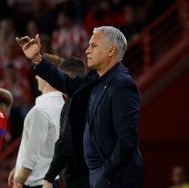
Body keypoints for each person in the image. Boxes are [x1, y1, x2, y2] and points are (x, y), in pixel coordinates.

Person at [16, 25, 145, 188]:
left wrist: (106, 175)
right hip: (95, 176)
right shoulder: (95, 78)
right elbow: (66, 82)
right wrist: (37, 59)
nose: (87, 50)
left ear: (111, 51)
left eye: (94, 45)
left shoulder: (122, 84)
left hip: (115, 180)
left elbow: (127, 140)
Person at [8, 54, 65, 188]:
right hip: (51, 180)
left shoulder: (39, 111)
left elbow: (31, 158)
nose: (35, 76)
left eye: (38, 72)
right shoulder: (63, 106)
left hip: (35, 183)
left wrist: (18, 181)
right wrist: (18, 167)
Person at [43, 57, 89, 188]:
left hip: (80, 178)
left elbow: (65, 144)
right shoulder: (94, 98)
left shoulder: (73, 104)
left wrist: (49, 177)